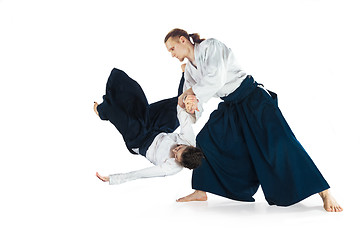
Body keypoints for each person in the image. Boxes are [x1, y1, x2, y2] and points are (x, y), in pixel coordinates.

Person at [164, 28, 343, 212]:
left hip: (253, 98)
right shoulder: (189, 73)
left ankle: (324, 192)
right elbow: (192, 102)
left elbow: (216, 79)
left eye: (172, 48)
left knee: (282, 144)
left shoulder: (211, 46)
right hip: (231, 105)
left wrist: (192, 94)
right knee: (205, 140)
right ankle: (201, 190)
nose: (172, 54)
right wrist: (191, 106)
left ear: (183, 40)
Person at [94, 67, 203, 185]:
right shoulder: (189, 139)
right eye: (179, 148)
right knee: (176, 106)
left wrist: (113, 178)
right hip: (158, 130)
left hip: (140, 140)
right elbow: (182, 114)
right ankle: (186, 73)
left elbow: (140, 174)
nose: (175, 150)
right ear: (189, 146)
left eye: (176, 156)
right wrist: (187, 102)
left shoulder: (170, 168)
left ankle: (102, 111)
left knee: (119, 114)